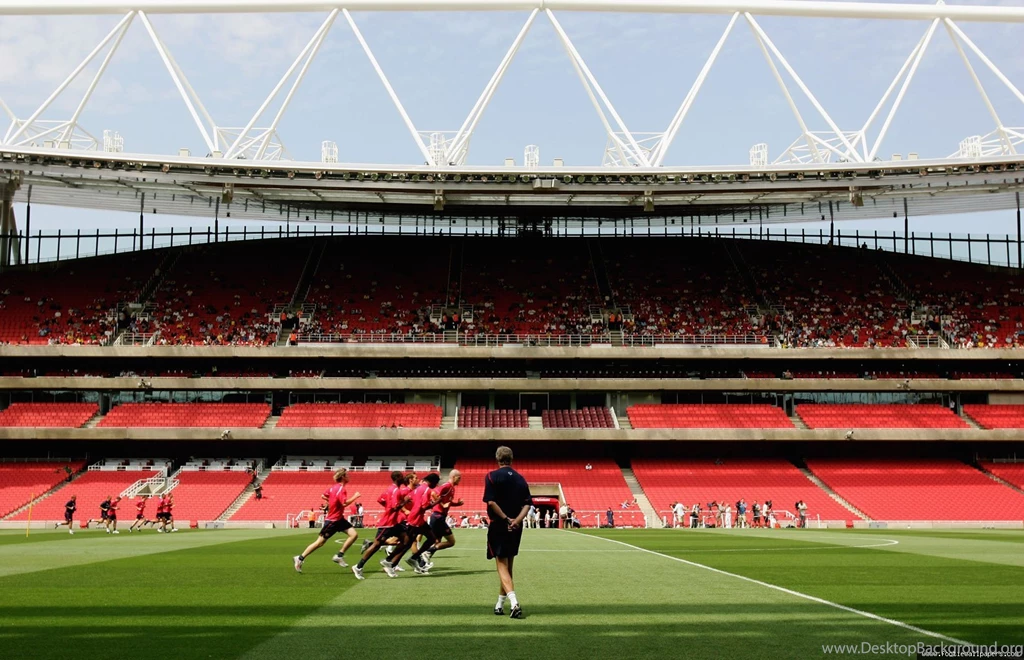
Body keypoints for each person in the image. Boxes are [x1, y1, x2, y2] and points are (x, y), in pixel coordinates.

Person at [484, 446, 531, 619]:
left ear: (497, 459)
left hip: (499, 525)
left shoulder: (491, 476)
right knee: (508, 566)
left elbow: (490, 502)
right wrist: (516, 521)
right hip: (516, 528)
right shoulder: (520, 478)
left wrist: (506, 519)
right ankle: (499, 604)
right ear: (511, 459)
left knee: (501, 565)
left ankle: (514, 602)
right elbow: (527, 504)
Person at [293, 468, 361, 573]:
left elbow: (323, 495)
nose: (349, 476)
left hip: (339, 519)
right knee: (320, 542)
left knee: (354, 535)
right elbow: (343, 503)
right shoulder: (341, 489)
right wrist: (355, 496)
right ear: (343, 477)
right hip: (332, 521)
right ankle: (300, 558)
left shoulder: (333, 488)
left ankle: (339, 555)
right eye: (347, 475)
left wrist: (332, 501)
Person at [352, 471, 410, 580]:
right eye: (401, 476)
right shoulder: (395, 491)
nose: (403, 478)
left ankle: (388, 560)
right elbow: (394, 507)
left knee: (406, 540)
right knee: (376, 545)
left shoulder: (389, 489)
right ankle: (358, 567)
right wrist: (404, 502)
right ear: (397, 478)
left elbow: (380, 500)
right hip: (387, 523)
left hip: (394, 522)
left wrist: (388, 507)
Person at [410, 470, 462, 570]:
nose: (460, 480)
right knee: (451, 542)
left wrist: (457, 504)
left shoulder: (451, 488)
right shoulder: (447, 486)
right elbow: (434, 493)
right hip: (438, 517)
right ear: (454, 477)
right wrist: (442, 504)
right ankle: (425, 553)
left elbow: (448, 502)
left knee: (436, 541)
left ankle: (422, 564)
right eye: (459, 478)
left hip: (440, 517)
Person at [396, 472, 441, 574]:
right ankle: (390, 561)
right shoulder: (407, 490)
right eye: (415, 478)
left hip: (416, 518)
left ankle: (415, 561)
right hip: (410, 518)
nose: (418, 480)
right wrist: (404, 509)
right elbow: (398, 502)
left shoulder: (416, 489)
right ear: (410, 480)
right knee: (405, 542)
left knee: (411, 542)